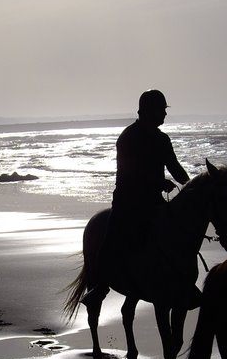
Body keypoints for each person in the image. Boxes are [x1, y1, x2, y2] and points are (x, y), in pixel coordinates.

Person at [83, 89, 197, 309]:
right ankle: (101, 283)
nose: (164, 114)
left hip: (154, 201)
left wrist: (192, 185)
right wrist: (158, 183)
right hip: (129, 201)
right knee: (113, 235)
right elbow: (129, 171)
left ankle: (184, 280)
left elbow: (175, 168)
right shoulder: (128, 137)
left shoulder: (163, 139)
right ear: (148, 111)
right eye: (161, 110)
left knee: (178, 231)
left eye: (165, 110)